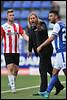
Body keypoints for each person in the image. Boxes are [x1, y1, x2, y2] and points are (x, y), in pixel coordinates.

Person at [27, 11, 64, 95]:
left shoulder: (42, 24)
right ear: (29, 20)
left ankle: (42, 90)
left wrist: (38, 28)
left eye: (34, 18)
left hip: (46, 50)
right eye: (31, 18)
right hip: (40, 51)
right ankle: (58, 86)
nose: (32, 19)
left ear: (37, 18)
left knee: (42, 69)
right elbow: (31, 40)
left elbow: (42, 29)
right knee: (49, 69)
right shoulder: (30, 29)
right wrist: (29, 50)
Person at [37, 10, 66, 98]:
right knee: (54, 73)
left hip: (62, 53)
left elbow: (51, 38)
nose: (49, 18)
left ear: (56, 16)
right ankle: (47, 92)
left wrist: (41, 46)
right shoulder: (64, 24)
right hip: (59, 54)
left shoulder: (57, 25)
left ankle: (47, 92)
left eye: (51, 16)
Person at [1, 9, 29, 93]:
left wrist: (30, 40)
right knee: (10, 67)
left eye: (13, 15)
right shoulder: (3, 27)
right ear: (7, 16)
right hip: (7, 51)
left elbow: (23, 35)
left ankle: (11, 82)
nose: (12, 16)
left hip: (16, 51)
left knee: (16, 69)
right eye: (10, 15)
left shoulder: (17, 26)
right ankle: (13, 87)